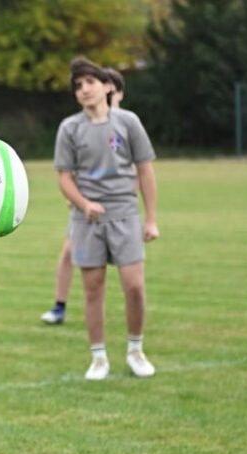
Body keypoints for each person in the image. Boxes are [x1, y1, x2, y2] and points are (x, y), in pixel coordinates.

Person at [53, 57, 159, 379]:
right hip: (87, 221)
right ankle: (98, 357)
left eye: (90, 82)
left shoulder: (128, 122)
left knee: (134, 287)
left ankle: (136, 350)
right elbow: (64, 177)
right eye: (78, 86)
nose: (84, 89)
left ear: (106, 86)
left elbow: (145, 170)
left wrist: (151, 219)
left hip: (124, 214)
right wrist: (84, 204)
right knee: (93, 288)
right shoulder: (70, 128)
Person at [40, 67, 126, 325]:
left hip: (118, 208)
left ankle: (131, 306)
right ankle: (59, 306)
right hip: (86, 207)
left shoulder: (125, 126)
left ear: (117, 92)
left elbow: (134, 169)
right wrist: (76, 198)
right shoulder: (80, 126)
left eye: (112, 90)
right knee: (69, 252)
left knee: (125, 261)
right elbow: (71, 168)